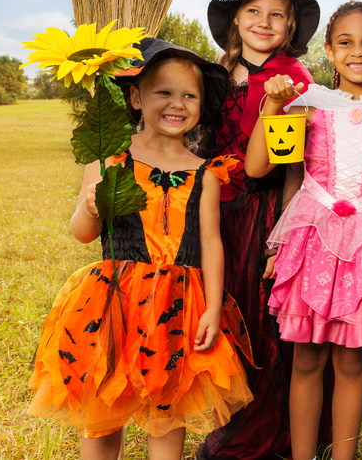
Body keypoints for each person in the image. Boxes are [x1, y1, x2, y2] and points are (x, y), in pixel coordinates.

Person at [28, 38, 253, 459]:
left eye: (189, 95)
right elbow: (81, 233)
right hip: (113, 302)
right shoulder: (110, 158)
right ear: (135, 96)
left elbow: (211, 243)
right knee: (103, 404)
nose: (177, 103)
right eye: (163, 92)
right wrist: (93, 205)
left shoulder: (204, 173)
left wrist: (212, 307)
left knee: (168, 408)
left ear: (202, 105)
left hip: (178, 307)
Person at [245, 1, 362, 460]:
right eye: (345, 42)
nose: (357, 52)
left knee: (351, 360)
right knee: (306, 359)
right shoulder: (307, 103)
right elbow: (262, 165)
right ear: (328, 49)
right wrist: (274, 105)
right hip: (310, 242)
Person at [198, 0, 320, 459]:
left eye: (276, 14)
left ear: (290, 26)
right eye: (253, 11)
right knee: (217, 316)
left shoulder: (292, 80)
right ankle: (224, 416)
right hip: (213, 210)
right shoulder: (216, 73)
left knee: (259, 321)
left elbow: (289, 165)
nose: (263, 22)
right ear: (235, 20)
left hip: (262, 211)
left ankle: (264, 433)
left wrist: (282, 232)